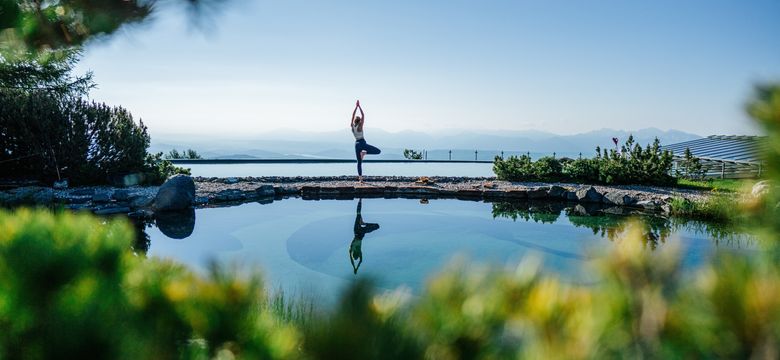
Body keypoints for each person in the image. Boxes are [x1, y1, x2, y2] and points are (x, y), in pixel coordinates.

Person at [351, 100, 381, 182]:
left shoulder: (352, 126)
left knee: (359, 162)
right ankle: (364, 153)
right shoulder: (360, 126)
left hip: (356, 144)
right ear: (360, 121)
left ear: (354, 121)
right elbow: (363, 115)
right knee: (378, 151)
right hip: (362, 142)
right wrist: (359, 106)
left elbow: (352, 115)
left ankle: (360, 179)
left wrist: (355, 107)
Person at [349, 198, 380, 274]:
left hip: (358, 232)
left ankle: (360, 201)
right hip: (360, 232)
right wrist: (355, 267)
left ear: (354, 254)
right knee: (377, 226)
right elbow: (359, 260)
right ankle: (363, 223)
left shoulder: (351, 250)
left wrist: (355, 267)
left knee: (358, 214)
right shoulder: (357, 251)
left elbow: (356, 260)